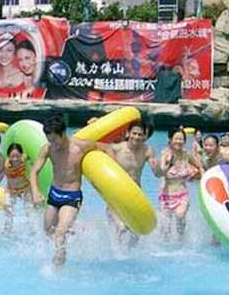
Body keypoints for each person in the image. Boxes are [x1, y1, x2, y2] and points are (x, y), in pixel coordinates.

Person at [29, 114, 103, 267]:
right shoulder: (48, 149)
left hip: (72, 195)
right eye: (49, 139)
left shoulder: (81, 146)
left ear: (63, 134)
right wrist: (35, 192)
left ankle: (58, 267)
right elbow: (34, 171)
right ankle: (75, 231)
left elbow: (106, 148)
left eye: (54, 139)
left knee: (60, 233)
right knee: (48, 231)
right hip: (54, 194)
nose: (52, 143)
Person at [103, 121, 162, 244]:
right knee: (121, 228)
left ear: (144, 136)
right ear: (128, 133)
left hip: (135, 193)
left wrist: (157, 167)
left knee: (136, 232)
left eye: (140, 135)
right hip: (116, 194)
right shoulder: (116, 148)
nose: (137, 137)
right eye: (134, 133)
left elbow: (157, 174)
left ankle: (129, 254)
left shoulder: (147, 150)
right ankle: (115, 253)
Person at [157, 128, 202, 240]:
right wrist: (169, 163)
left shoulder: (187, 155)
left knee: (180, 215)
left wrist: (199, 176)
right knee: (165, 230)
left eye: (181, 139)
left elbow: (200, 166)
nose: (179, 141)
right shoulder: (165, 154)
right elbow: (160, 171)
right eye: (176, 138)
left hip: (182, 195)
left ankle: (182, 240)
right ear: (170, 140)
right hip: (166, 196)